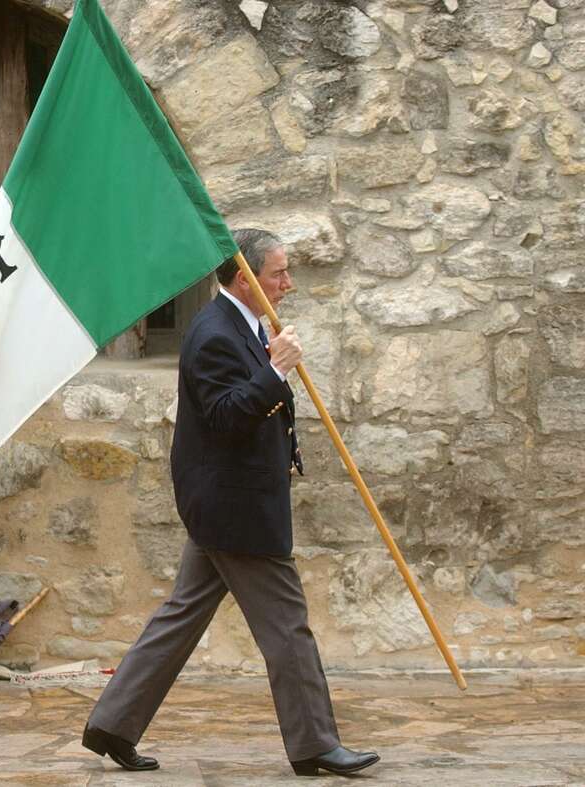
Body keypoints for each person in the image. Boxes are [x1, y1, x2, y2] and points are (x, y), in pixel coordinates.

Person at [81, 229, 380, 776]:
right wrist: (277, 370)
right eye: (278, 273)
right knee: (287, 624)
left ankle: (112, 724)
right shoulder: (213, 333)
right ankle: (315, 743)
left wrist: (272, 371)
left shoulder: (242, 325)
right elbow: (224, 417)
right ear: (246, 278)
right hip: (235, 507)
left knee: (181, 615)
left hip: (228, 499)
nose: (288, 283)